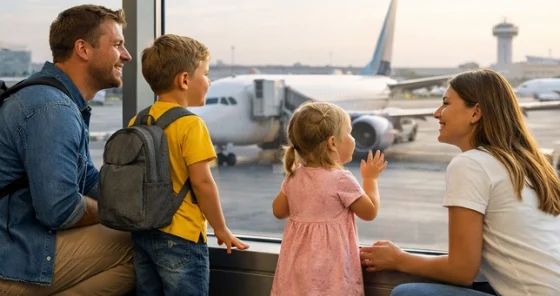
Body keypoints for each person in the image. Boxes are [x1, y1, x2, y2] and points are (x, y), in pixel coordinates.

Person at [360, 69, 560, 296]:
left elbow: (461, 270)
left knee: (407, 293)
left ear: (475, 113)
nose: (437, 113)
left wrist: (398, 259)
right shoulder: (529, 164)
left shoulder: (471, 164)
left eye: (446, 103)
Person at [0, 5, 135, 295]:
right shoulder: (53, 108)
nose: (126, 55)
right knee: (140, 248)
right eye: (117, 44)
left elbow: (85, 177)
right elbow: (59, 211)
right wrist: (115, 214)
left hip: (12, 240)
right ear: (83, 49)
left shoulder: (51, 97)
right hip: (10, 256)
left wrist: (137, 202)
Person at [130, 34, 249, 296]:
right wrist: (220, 228)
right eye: (205, 74)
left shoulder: (137, 121)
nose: (209, 81)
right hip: (181, 237)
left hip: (143, 234)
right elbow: (202, 182)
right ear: (184, 80)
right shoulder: (191, 124)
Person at [270, 101, 387, 296]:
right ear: (332, 143)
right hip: (331, 276)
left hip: (297, 274)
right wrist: (370, 179)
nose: (352, 137)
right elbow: (370, 211)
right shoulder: (341, 179)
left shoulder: (294, 176)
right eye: (348, 132)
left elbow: (278, 211)